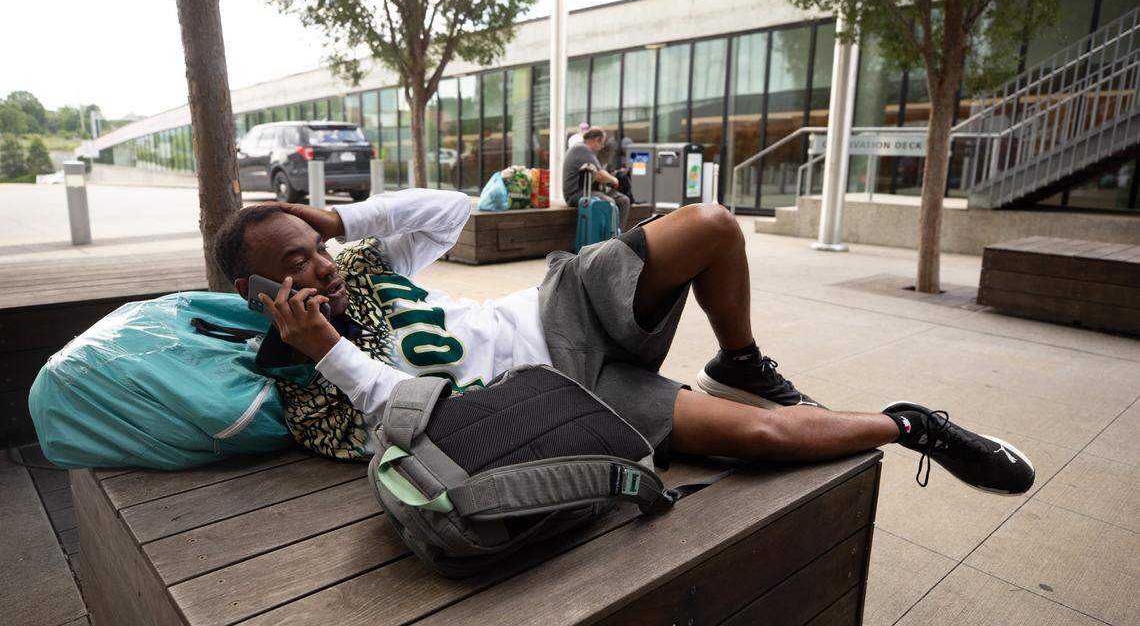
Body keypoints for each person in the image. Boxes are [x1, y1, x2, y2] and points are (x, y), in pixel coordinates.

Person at [212, 190, 1035, 496]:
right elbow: (412, 427)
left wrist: (333, 221)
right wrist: (325, 349)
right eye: (295, 262)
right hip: (562, 404)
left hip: (557, 309)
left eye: (315, 245)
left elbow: (453, 210)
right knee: (756, 437)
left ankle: (739, 356)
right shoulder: (307, 393)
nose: (320, 266)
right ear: (257, 294)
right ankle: (915, 424)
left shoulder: (355, 266)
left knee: (712, 224)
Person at [563, 127, 631, 229]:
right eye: (602, 143)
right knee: (608, 202)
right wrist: (614, 180)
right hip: (576, 194)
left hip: (589, 191)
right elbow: (599, 174)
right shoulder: (582, 148)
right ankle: (605, 237)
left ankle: (617, 236)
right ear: (597, 139)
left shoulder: (586, 151)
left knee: (623, 200)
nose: (602, 147)